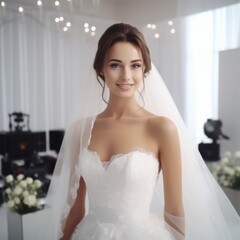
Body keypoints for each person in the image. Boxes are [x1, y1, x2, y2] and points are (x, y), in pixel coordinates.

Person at [46, 23, 240, 240]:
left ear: (145, 69)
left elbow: (174, 210)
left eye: (135, 65)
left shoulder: (161, 128)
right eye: (115, 65)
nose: (126, 75)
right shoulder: (80, 130)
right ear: (101, 68)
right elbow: (75, 207)